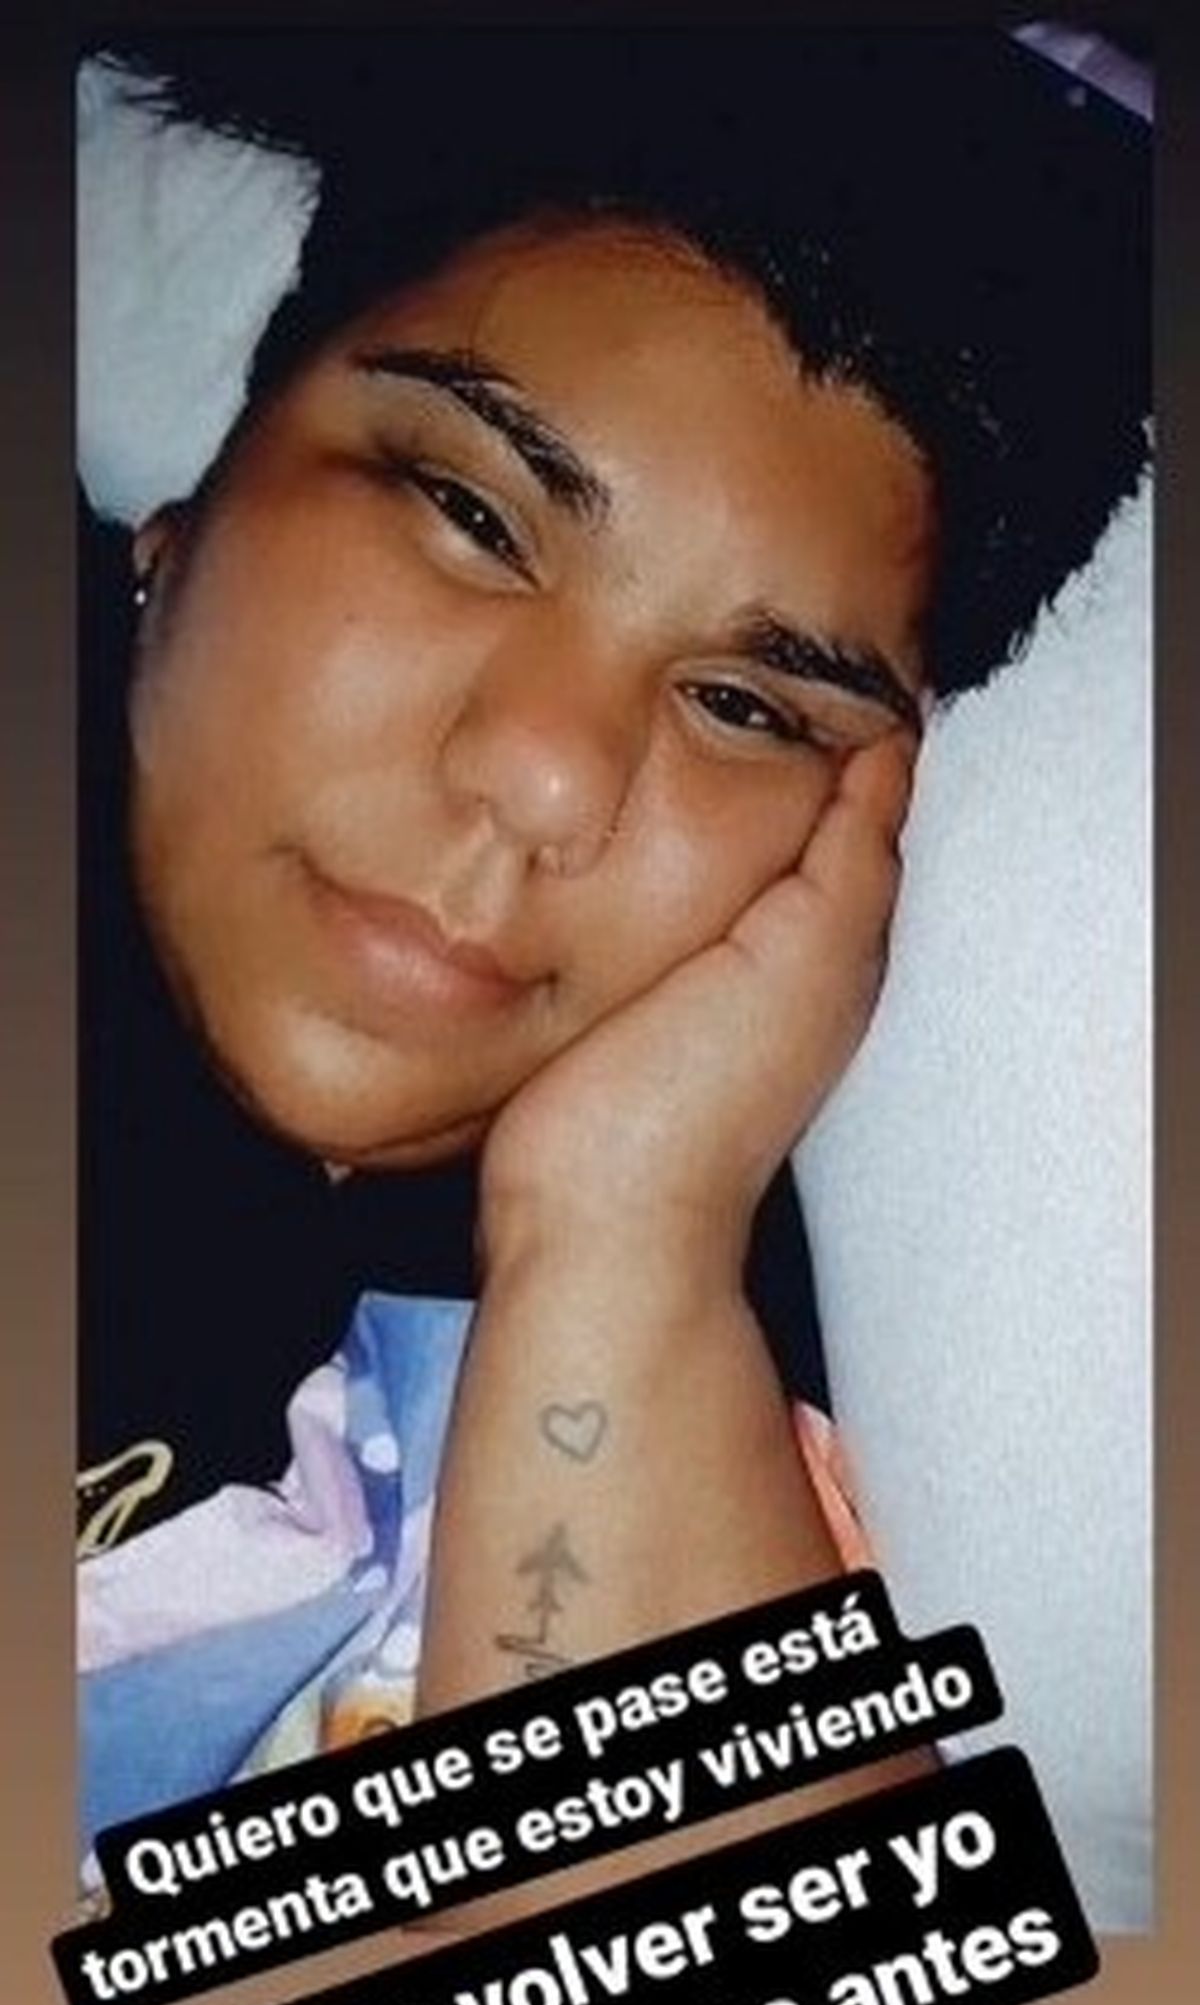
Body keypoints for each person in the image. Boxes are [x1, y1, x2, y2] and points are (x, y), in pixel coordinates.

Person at [76, 28, 1149, 1875]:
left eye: (748, 704)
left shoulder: (717, 1342)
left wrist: (622, 1234)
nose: (550, 774)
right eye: (472, 517)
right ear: (190, 506)